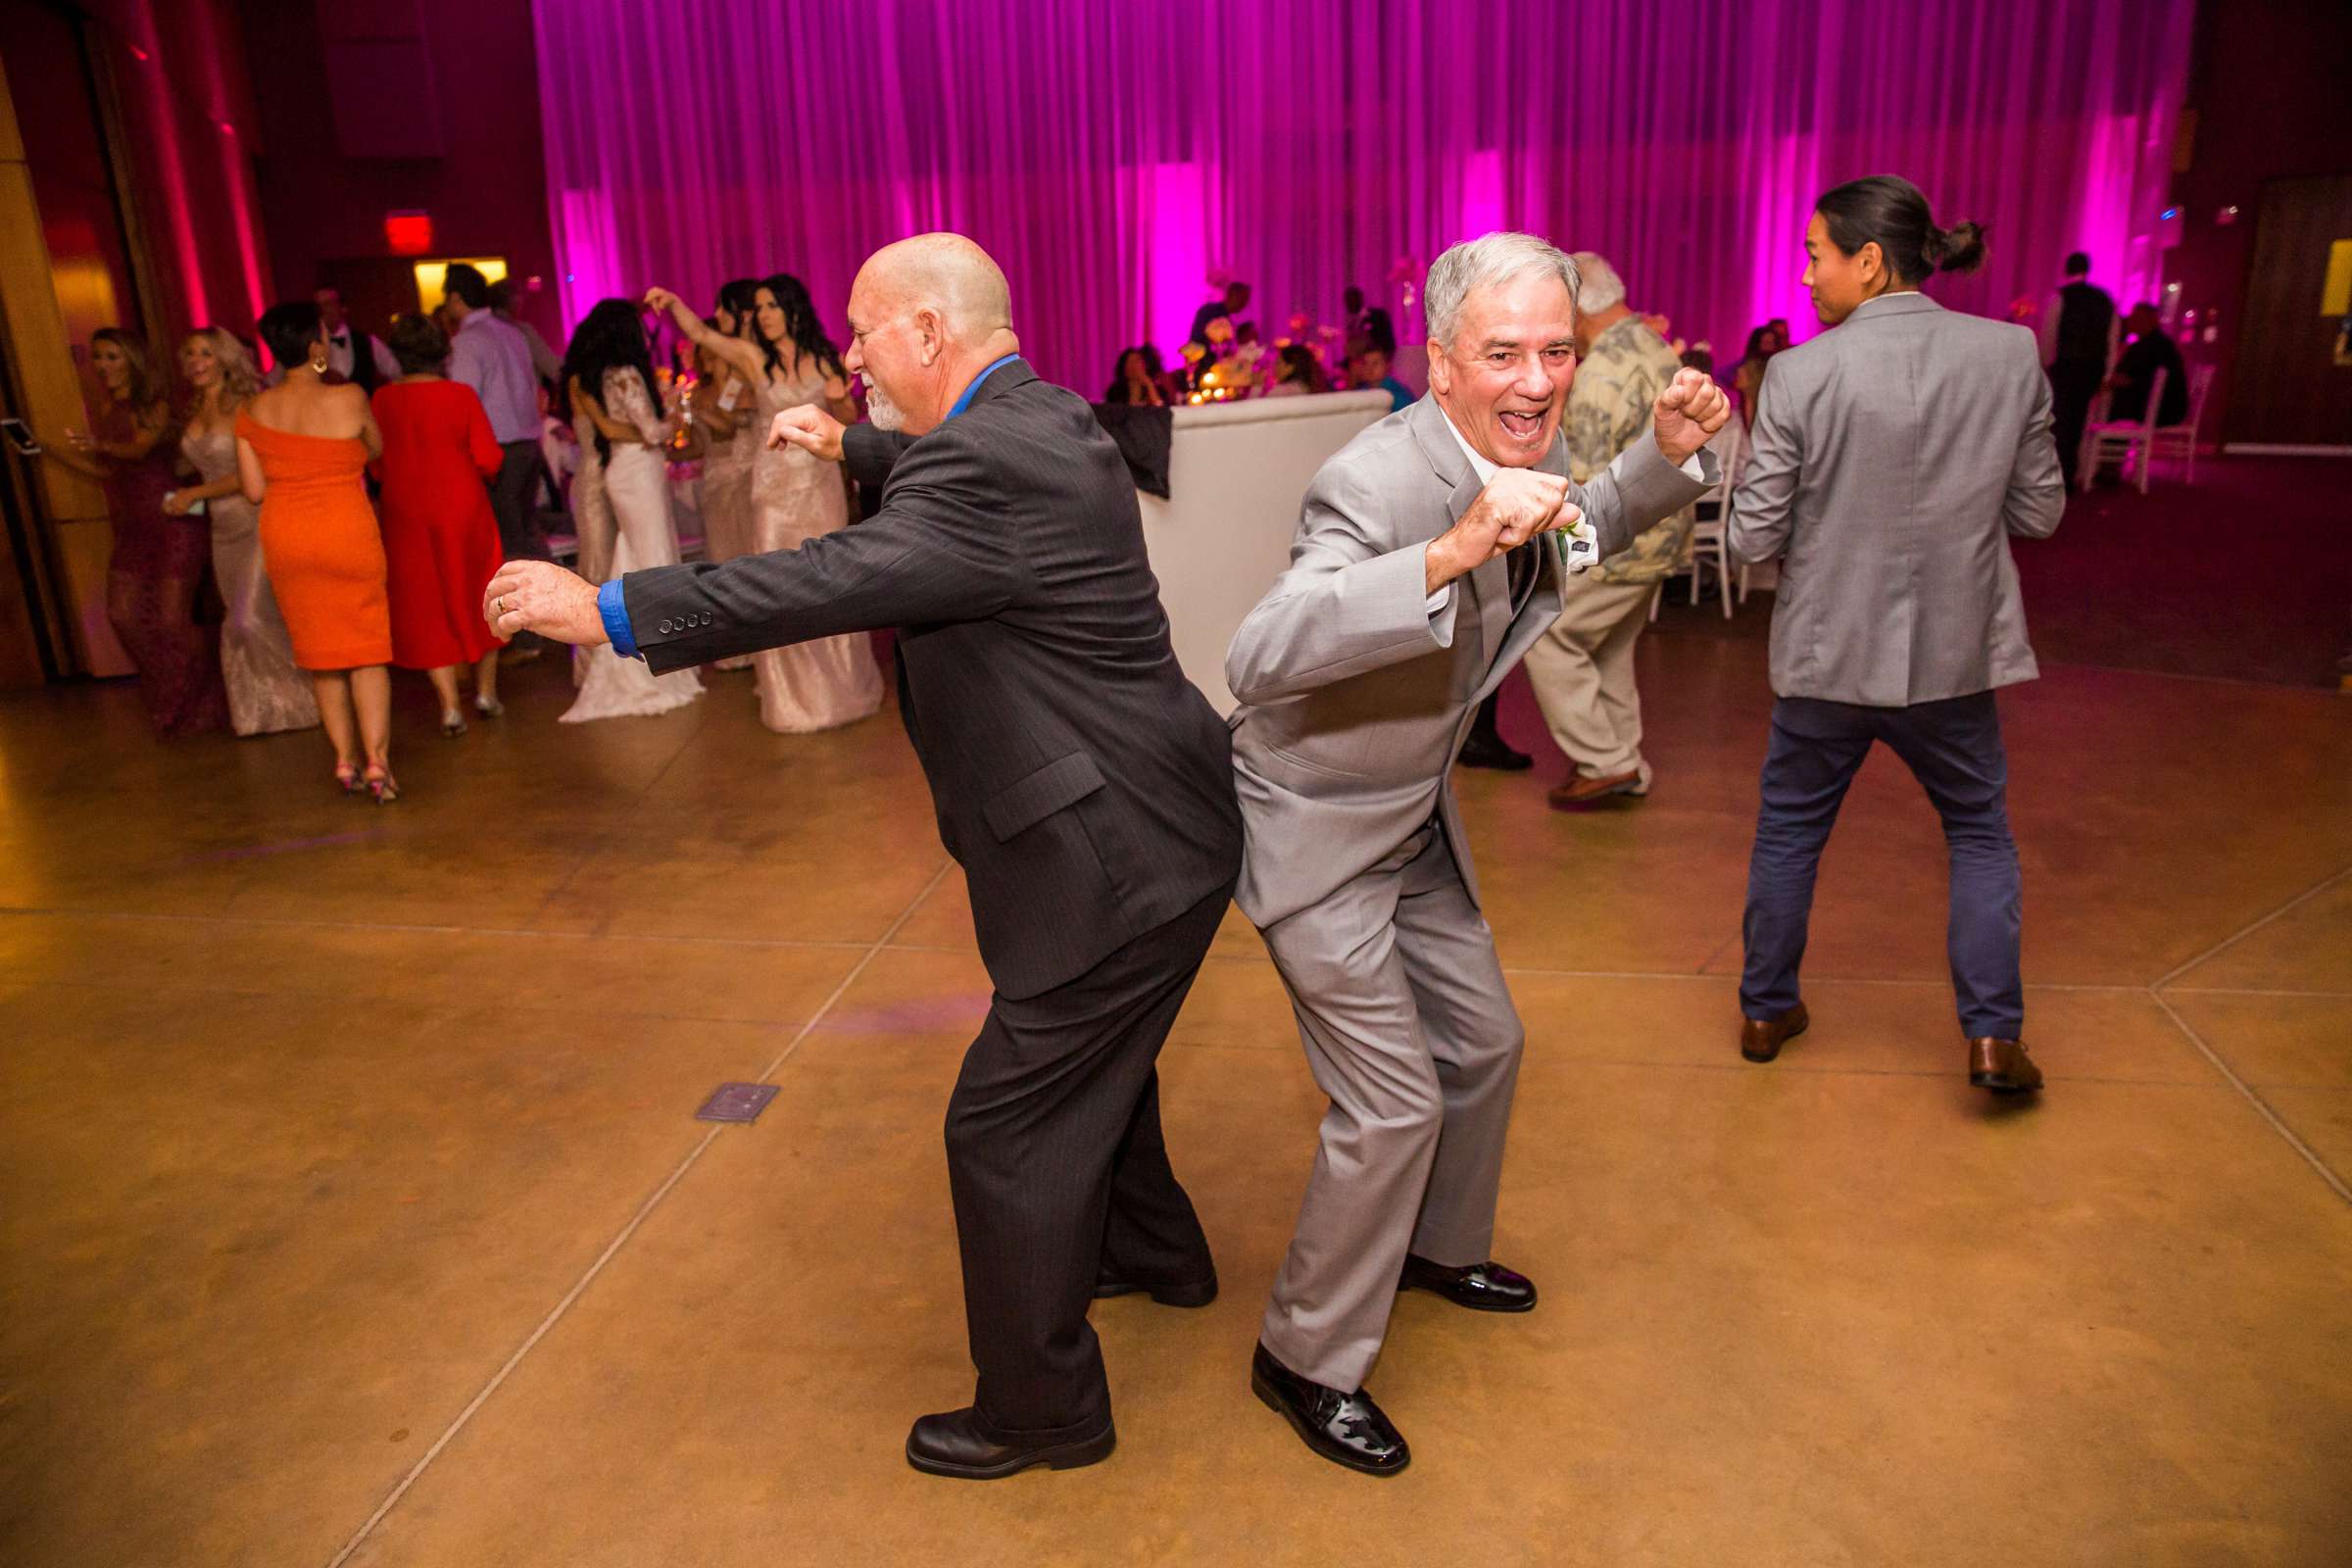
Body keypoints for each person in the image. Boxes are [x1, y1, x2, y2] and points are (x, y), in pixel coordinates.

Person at [484, 232, 1243, 1482]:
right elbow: (955, 472)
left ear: (932, 334)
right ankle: (1156, 1254)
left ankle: (1044, 1414)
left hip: (1112, 852)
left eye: (864, 334)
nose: (848, 356)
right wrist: (856, 443)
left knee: (1006, 1128)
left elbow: (830, 577)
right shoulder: (1043, 414)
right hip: (1159, 824)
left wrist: (610, 610)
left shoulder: (989, 462)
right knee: (1100, 1062)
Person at [1223, 233, 1722, 1475]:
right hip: (1324, 833)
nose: (1538, 380)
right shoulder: (1373, 482)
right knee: (1392, 1102)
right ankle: (1304, 1352)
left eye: (1556, 351)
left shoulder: (1520, 447)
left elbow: (1576, 532)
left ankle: (1438, 1248)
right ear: (1439, 365)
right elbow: (1262, 651)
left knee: (1487, 1042)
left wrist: (1663, 457)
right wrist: (1443, 556)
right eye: (1503, 353)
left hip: (1413, 814)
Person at [1727, 173, 2060, 1095]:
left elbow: (1753, 536)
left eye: (1812, 253)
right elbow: (2039, 515)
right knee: (1981, 835)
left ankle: (1765, 1007)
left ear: (1868, 262)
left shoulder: (1797, 373)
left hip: (1827, 656)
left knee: (1790, 833)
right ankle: (1993, 1035)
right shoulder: (2009, 354)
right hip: (1955, 657)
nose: (1804, 275)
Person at [644, 274, 882, 733]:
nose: (763, 315)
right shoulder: (755, 360)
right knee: (778, 589)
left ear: (792, 309)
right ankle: (794, 703)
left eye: (771, 305)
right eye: (759, 307)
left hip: (819, 487)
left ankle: (843, 693)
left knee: (831, 586)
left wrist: (842, 405)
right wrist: (674, 302)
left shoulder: (826, 358)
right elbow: (703, 335)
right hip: (772, 490)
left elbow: (849, 420)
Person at [1522, 252, 1694, 808]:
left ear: (1574, 308)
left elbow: (1590, 491)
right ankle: (1626, 764)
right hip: (1663, 531)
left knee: (1547, 634)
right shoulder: (1651, 344)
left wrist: (1570, 561)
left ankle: (1605, 761)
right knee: (1608, 650)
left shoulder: (1598, 376)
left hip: (1623, 543)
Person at [235, 302, 399, 799]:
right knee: (367, 653)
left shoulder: (252, 411)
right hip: (347, 533)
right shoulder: (350, 396)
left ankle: (344, 762)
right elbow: (375, 448)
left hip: (288, 538)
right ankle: (378, 763)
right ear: (314, 347)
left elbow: (254, 490)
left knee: (322, 656)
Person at [41, 329, 229, 738]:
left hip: (177, 517)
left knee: (171, 618)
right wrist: (54, 453)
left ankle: (204, 698)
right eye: (97, 358)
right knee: (122, 613)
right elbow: (113, 473)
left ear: (132, 361)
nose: (103, 366)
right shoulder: (109, 408)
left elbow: (140, 450)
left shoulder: (154, 405)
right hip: (136, 526)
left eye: (112, 357)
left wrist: (98, 444)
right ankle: (173, 690)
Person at [555, 300, 703, 723]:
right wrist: (675, 412)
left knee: (631, 556)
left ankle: (641, 649)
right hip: (638, 468)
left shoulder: (600, 376)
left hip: (623, 470)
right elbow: (652, 432)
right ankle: (659, 658)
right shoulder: (625, 374)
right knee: (654, 558)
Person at [167, 328, 317, 737]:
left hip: (256, 519)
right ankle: (257, 715)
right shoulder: (194, 407)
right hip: (221, 528)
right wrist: (182, 494)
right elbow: (195, 465)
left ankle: (299, 704)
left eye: (205, 353)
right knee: (245, 617)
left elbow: (256, 474)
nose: (196, 361)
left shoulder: (247, 406)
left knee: (248, 620)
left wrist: (195, 491)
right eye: (190, 354)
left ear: (223, 359)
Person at [371, 312, 507, 735]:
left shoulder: (381, 400)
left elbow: (375, 464)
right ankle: (485, 693)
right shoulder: (459, 395)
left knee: (422, 602)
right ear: (442, 351)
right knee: (482, 590)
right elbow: (488, 458)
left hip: (405, 509)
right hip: (461, 505)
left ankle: (449, 705)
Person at [442, 263, 547, 565]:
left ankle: (529, 610)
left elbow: (463, 399)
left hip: (500, 451)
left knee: (510, 544)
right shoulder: (513, 332)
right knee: (527, 534)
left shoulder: (467, 340)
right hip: (530, 443)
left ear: (456, 299)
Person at [2037, 251, 2118, 489]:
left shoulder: (2060, 297)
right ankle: (2077, 471)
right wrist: (2107, 373)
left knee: (2063, 421)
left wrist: (2044, 364)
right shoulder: (2105, 299)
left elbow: (2049, 335)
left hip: (2067, 367)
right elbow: (2111, 339)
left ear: (2066, 270)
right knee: (2081, 420)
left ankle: (2064, 473)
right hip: (2093, 369)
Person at [2106, 303, 2188, 427]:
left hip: (2159, 409)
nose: (2130, 321)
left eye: (2136, 318)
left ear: (2151, 320)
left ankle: (2108, 440)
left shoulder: (2148, 346)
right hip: (2167, 408)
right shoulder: (2161, 343)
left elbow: (2125, 378)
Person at [314, 287, 398, 391]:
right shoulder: (311, 347)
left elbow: (396, 373)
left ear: (343, 308)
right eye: (318, 306)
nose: (323, 310)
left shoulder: (368, 341)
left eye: (328, 304)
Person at [486, 276, 564, 386]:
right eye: (519, 296)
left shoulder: (481, 333)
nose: (522, 300)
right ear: (514, 300)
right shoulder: (523, 332)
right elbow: (552, 368)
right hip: (524, 398)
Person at [1187, 279, 1251, 360]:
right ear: (1232, 295)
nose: (1244, 304)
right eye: (1243, 299)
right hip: (1204, 365)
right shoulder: (1210, 311)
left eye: (1246, 300)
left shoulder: (1226, 316)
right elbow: (1197, 340)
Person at [1349, 344, 1414, 414]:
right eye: (1365, 364)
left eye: (1375, 363)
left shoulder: (1397, 391)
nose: (1369, 368)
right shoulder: (1362, 391)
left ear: (1387, 366)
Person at [1344, 283, 1396, 358]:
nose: (1350, 303)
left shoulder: (1377, 315)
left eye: (1353, 299)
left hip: (1377, 359)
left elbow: (1387, 341)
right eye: (1348, 301)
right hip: (1360, 363)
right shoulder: (1351, 324)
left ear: (1360, 298)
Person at [1102, 346, 1166, 406]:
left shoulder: (1157, 389)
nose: (1133, 366)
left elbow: (1161, 410)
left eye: (1136, 361)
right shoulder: (1115, 391)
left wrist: (1149, 384)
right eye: (1129, 362)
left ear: (1144, 365)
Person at [1265, 343, 1329, 397]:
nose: (1273, 366)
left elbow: (1259, 397)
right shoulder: (1304, 387)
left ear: (1290, 367)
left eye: (1278, 363)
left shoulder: (1289, 391)